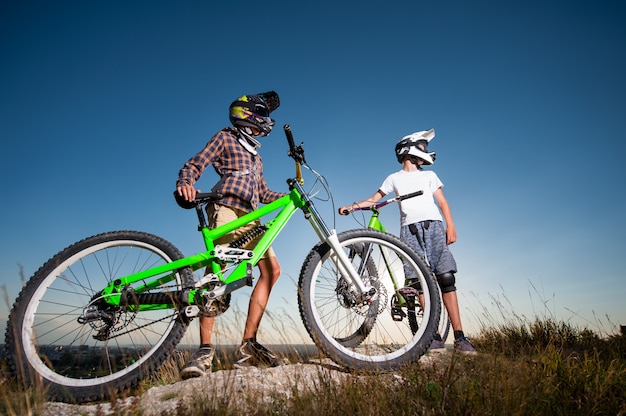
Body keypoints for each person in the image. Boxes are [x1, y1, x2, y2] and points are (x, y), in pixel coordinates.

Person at [176, 91, 287, 379]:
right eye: (261, 115)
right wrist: (186, 182)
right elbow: (197, 162)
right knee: (217, 274)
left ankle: (248, 346)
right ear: (246, 115)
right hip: (225, 207)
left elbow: (263, 193)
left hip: (251, 218)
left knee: (272, 270)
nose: (265, 122)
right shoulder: (225, 137)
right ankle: (204, 351)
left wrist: (288, 196)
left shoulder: (257, 158)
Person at [338, 129, 476, 354]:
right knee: (418, 281)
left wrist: (450, 224)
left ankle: (460, 337)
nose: (425, 151)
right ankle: (434, 335)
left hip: (434, 227)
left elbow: (442, 202)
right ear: (410, 149)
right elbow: (374, 199)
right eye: (421, 147)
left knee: (446, 277)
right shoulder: (393, 178)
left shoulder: (429, 176)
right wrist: (352, 206)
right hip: (409, 231)